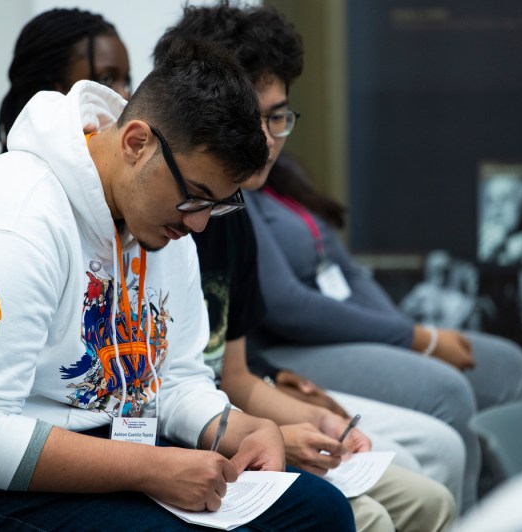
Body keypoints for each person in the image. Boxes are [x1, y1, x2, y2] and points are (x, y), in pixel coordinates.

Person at [0, 39, 355, 530]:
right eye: (196, 196)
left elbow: (173, 379)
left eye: (218, 204)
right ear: (136, 143)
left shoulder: (160, 226)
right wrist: (149, 467)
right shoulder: (10, 221)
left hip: (84, 439)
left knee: (317, 512)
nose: (199, 224)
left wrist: (233, 427)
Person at [156, 4, 457, 530]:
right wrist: (268, 430)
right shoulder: (158, 220)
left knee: (428, 492)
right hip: (194, 441)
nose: (268, 139)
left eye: (280, 116)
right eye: (255, 118)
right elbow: (156, 399)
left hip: (225, 422)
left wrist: (314, 418)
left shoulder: (234, 217)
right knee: (374, 509)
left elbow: (234, 376)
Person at [243, 143, 522, 512]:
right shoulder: (240, 193)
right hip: (285, 346)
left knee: (506, 365)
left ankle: (520, 514)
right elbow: (286, 305)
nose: (271, 136)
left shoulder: (283, 178)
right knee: (448, 392)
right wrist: (415, 339)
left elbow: (347, 272)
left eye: (281, 117)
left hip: (345, 333)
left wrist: (403, 332)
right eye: (263, 116)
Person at [0, 8, 131, 152]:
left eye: (127, 82)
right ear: (50, 89)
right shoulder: (18, 172)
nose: (125, 96)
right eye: (106, 79)